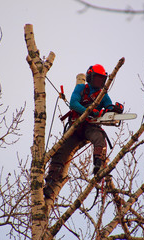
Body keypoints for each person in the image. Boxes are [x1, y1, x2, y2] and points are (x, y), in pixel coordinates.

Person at [43, 64, 122, 200]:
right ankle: (50, 183)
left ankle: (98, 163)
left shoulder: (103, 95)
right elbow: (74, 103)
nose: (98, 82)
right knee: (60, 152)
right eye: (96, 79)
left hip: (90, 127)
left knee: (99, 137)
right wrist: (90, 111)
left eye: (101, 80)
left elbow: (108, 107)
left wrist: (114, 109)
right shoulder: (81, 88)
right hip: (76, 127)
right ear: (90, 77)